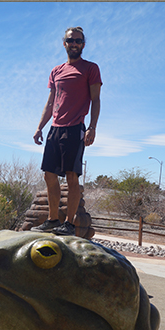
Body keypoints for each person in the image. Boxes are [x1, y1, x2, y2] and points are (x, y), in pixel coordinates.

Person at [33, 27, 101, 236]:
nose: (74, 44)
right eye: (70, 40)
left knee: (72, 177)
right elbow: (51, 101)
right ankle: (53, 220)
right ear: (64, 43)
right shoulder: (56, 71)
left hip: (75, 129)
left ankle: (70, 224)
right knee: (49, 175)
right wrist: (39, 127)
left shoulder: (90, 68)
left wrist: (92, 127)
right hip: (56, 128)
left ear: (83, 44)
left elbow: (96, 99)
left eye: (78, 41)